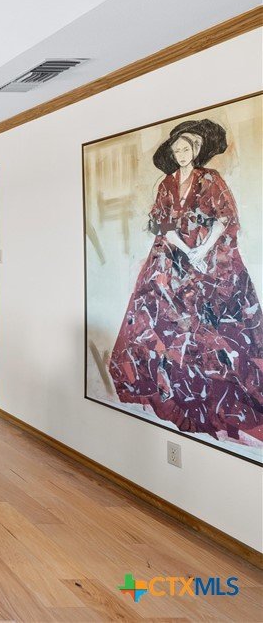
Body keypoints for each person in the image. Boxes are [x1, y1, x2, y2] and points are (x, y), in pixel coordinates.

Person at [108, 119, 263, 441]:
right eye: (176, 150)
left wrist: (202, 250)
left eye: (186, 149)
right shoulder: (167, 183)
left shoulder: (210, 178)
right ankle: (174, 391)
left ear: (196, 151)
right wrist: (184, 249)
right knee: (159, 317)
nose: (181, 154)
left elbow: (225, 217)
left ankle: (213, 395)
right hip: (172, 255)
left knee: (211, 325)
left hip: (212, 257)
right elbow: (160, 223)